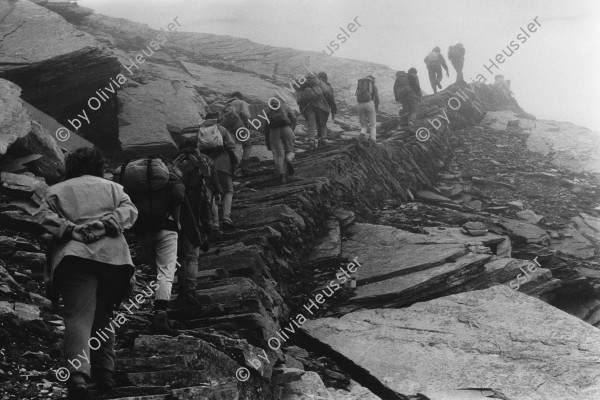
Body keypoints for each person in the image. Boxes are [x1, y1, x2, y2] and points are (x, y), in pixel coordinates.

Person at [35, 147, 138, 399]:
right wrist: (105, 225)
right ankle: (105, 374)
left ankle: (78, 376)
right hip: (114, 259)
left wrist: (70, 230)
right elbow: (130, 213)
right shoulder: (113, 188)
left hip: (74, 257)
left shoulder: (57, 190)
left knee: (78, 317)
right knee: (104, 315)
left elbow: (42, 216)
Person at [121, 157, 185, 335]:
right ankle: (160, 316)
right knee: (166, 272)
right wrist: (177, 221)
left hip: (143, 230)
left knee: (157, 272)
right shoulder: (169, 179)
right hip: (167, 229)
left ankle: (160, 310)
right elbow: (179, 196)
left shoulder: (138, 182)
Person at [171, 142, 221, 303]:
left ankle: (181, 289)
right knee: (192, 256)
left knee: (180, 256)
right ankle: (190, 290)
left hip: (174, 221)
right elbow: (203, 209)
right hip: (193, 220)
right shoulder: (200, 169)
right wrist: (206, 229)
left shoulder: (173, 171)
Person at [198, 113, 238, 231]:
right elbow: (231, 145)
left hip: (207, 165)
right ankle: (226, 217)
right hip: (223, 164)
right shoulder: (222, 129)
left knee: (212, 194)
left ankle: (215, 222)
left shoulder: (200, 131)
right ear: (218, 119)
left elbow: (198, 148)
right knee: (228, 191)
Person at [265, 97, 297, 184]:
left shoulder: (267, 110)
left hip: (273, 131)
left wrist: (268, 142)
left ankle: (282, 174)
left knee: (278, 154)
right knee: (290, 149)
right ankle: (288, 159)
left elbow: (266, 127)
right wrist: (291, 128)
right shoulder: (285, 106)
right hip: (286, 128)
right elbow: (294, 118)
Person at [296, 74, 333, 148]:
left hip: (308, 107)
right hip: (320, 106)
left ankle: (311, 141)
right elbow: (327, 92)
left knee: (311, 125)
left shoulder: (302, 86)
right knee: (322, 124)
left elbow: (298, 100)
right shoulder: (318, 83)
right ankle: (323, 139)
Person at [219, 92, 252, 173]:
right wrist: (246, 123)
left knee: (231, 147)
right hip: (239, 123)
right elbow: (246, 114)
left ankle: (233, 167)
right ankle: (244, 166)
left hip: (227, 126)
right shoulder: (241, 102)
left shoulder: (226, 105)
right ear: (239, 97)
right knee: (247, 145)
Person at [355, 75, 379, 141]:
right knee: (373, 124)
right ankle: (373, 139)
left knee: (364, 124)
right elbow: (377, 98)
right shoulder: (373, 86)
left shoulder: (361, 85)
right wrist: (376, 108)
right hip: (369, 103)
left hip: (360, 104)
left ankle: (362, 133)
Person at [317, 71, 338, 143]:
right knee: (323, 123)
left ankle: (319, 139)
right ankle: (323, 139)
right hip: (325, 108)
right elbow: (332, 99)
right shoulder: (328, 86)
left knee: (318, 123)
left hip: (316, 106)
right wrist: (333, 111)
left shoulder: (315, 84)